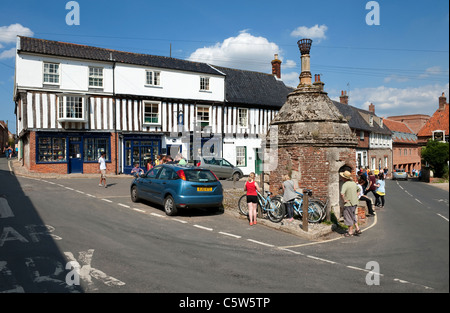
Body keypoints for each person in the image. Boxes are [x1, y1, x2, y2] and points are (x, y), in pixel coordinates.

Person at [340, 170, 362, 237]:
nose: (341, 178)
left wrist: (344, 200)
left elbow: (342, 194)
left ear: (345, 178)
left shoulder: (345, 185)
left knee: (348, 217)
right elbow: (359, 190)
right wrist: (356, 196)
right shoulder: (353, 183)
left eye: (342, 177)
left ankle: (350, 232)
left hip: (349, 203)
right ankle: (357, 228)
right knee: (352, 215)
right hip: (355, 202)